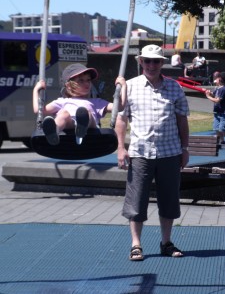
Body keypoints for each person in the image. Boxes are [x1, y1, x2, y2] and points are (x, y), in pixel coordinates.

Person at [115, 44, 190, 261]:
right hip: (140, 153)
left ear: (162, 63)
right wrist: (121, 147)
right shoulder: (129, 86)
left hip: (170, 152)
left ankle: (166, 242)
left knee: (169, 200)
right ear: (140, 62)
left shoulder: (174, 88)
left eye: (156, 61)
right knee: (136, 201)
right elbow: (121, 119)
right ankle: (136, 244)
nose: (151, 65)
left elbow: (182, 121)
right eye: (147, 61)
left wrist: (185, 149)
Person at [33, 63, 127, 145]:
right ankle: (54, 132)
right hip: (70, 125)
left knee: (86, 113)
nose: (86, 83)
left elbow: (119, 107)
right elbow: (39, 110)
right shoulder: (62, 101)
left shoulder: (96, 101)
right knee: (63, 114)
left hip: (91, 129)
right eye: (81, 80)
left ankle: (82, 126)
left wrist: (123, 86)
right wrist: (36, 90)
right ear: (69, 85)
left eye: (88, 80)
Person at [204, 72, 225, 144]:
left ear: (220, 79)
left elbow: (217, 100)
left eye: (217, 78)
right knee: (216, 128)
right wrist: (209, 93)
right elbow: (213, 94)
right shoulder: (217, 88)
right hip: (216, 111)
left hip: (223, 112)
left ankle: (221, 139)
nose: (215, 80)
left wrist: (208, 97)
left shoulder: (223, 89)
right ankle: (221, 140)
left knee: (221, 129)